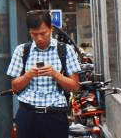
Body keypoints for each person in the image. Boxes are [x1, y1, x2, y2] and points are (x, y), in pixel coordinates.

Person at [7, 10, 82, 138]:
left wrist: (55, 74)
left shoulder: (65, 50)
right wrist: (28, 75)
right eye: (34, 34)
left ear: (51, 29)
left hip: (55, 115)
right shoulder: (22, 51)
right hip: (28, 114)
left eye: (43, 33)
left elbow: (75, 86)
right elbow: (15, 87)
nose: (39, 38)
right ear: (30, 32)